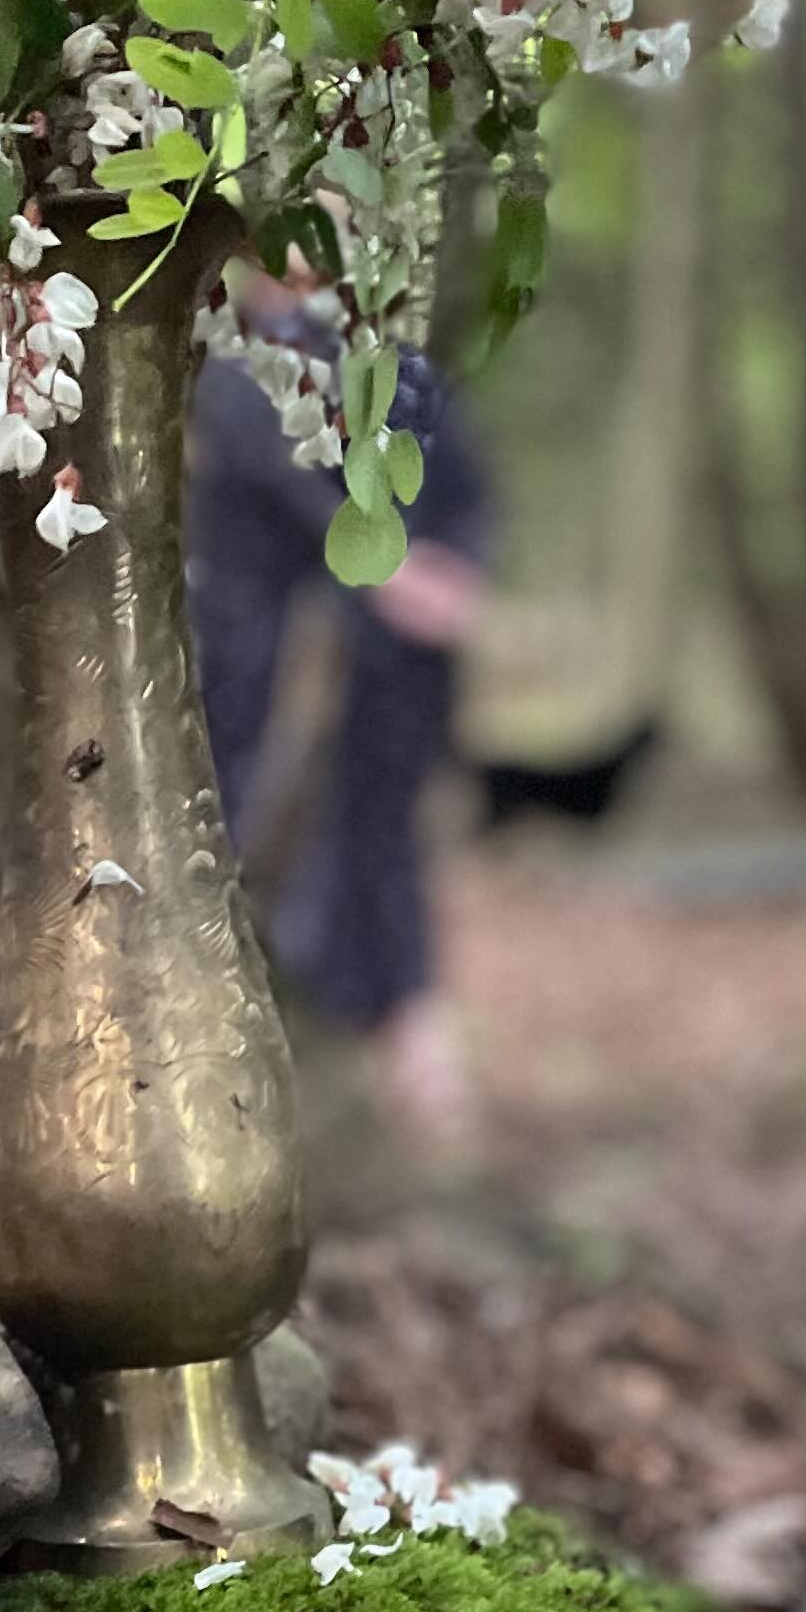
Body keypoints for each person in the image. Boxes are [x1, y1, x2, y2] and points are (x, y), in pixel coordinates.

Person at [187, 307, 491, 1154]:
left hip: (390, 686)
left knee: (387, 859)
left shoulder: (403, 372)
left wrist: (454, 577)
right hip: (260, 680)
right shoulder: (237, 372)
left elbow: (465, 493)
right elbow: (276, 493)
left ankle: (421, 1095)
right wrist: (385, 574)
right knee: (245, 854)